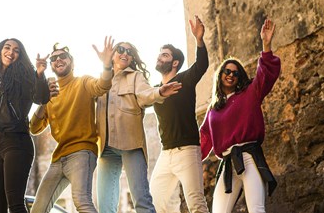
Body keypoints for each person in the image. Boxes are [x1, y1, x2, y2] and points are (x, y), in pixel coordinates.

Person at [200, 19, 279, 213]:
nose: (230, 75)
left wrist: (266, 46)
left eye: (235, 73)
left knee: (256, 209)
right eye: (226, 71)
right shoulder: (213, 109)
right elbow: (202, 140)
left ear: (240, 77)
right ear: (220, 75)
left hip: (249, 156)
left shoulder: (250, 93)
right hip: (227, 164)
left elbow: (265, 75)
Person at [29, 37, 114, 213]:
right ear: (51, 66)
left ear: (72, 62)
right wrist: (44, 99)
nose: (58, 59)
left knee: (81, 200)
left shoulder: (82, 82)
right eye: (53, 58)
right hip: (58, 157)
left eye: (63, 56)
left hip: (82, 151)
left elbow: (102, 86)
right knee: (38, 208)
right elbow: (34, 127)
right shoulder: (49, 94)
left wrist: (106, 66)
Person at [95, 42, 182, 213]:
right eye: (120, 50)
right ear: (112, 54)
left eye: (129, 52)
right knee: (105, 207)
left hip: (131, 144)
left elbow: (145, 94)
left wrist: (159, 92)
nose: (125, 53)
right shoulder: (101, 80)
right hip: (105, 147)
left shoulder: (136, 77)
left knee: (141, 200)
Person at [149, 15, 210, 213]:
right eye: (160, 54)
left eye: (165, 55)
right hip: (166, 154)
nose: (160, 57)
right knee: (153, 203)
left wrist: (198, 40)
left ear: (175, 63)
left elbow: (201, 65)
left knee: (196, 204)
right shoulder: (155, 90)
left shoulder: (185, 79)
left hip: (187, 151)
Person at [0, 38, 50, 213]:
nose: (10, 52)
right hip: (0, 147)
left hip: (18, 143)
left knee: (16, 204)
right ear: (0, 51)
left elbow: (41, 98)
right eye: (7, 48)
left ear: (20, 56)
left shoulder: (24, 76)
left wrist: (40, 74)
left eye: (16, 50)